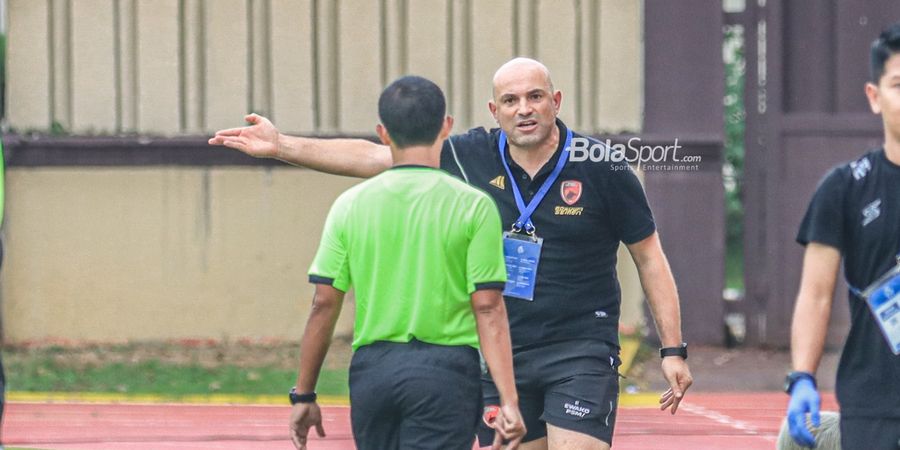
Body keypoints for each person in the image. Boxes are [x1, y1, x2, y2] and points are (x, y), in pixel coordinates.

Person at [212, 58, 693, 450]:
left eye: (535, 96)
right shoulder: (468, 154)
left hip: (579, 348)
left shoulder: (601, 165)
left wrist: (673, 349)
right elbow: (376, 158)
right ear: (494, 109)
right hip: (501, 353)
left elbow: (649, 257)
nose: (524, 109)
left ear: (556, 101)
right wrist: (281, 146)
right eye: (511, 100)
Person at [286, 76, 525, 450]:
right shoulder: (474, 206)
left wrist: (304, 394)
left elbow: (324, 303)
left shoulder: (349, 205)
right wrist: (508, 400)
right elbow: (488, 306)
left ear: (383, 133)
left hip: (373, 372)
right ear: (446, 126)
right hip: (446, 372)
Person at [786, 22, 900, 450]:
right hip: (873, 401)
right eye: (898, 84)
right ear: (874, 96)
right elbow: (815, 294)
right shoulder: (845, 187)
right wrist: (802, 378)